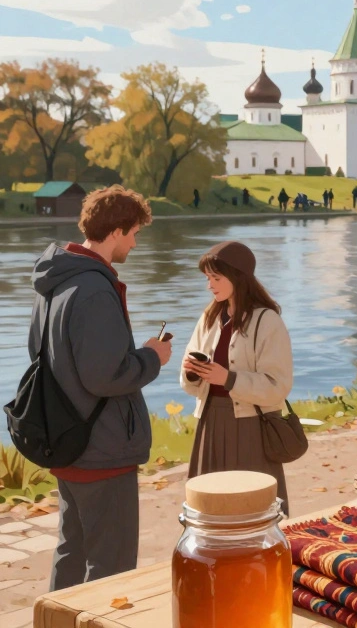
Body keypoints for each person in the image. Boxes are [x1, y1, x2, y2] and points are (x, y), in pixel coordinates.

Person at [31, 186, 172, 589]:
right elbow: (105, 376)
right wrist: (151, 357)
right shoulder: (93, 288)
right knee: (111, 569)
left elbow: (40, 354)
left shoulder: (56, 280)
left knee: (71, 553)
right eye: (133, 233)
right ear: (116, 232)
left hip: (66, 439)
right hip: (102, 449)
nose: (134, 242)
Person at [180, 241, 292, 513]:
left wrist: (228, 379)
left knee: (252, 507)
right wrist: (193, 373)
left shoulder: (267, 321)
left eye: (216, 278)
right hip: (210, 422)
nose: (210, 285)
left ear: (237, 277)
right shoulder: (208, 316)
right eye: (208, 278)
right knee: (210, 506)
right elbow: (189, 384)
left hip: (251, 427)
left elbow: (278, 386)